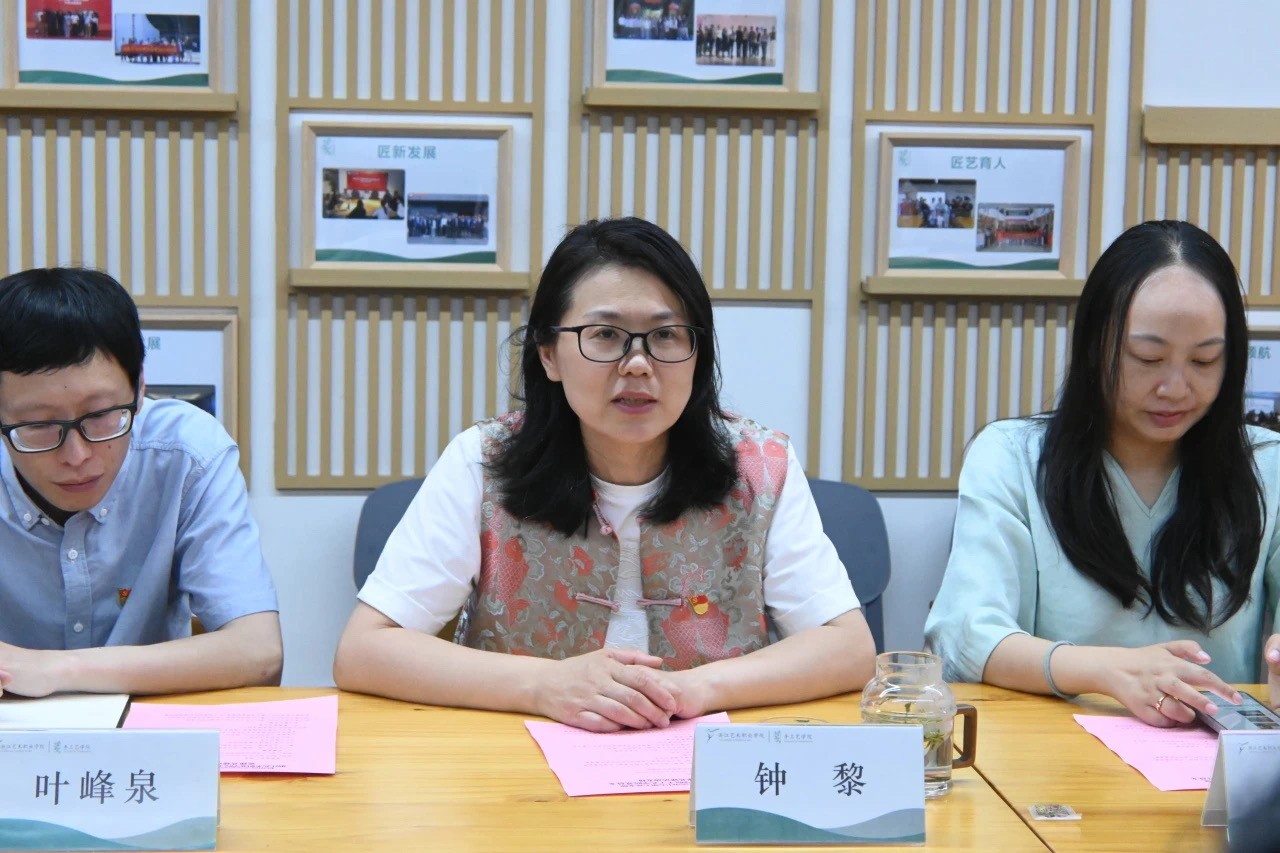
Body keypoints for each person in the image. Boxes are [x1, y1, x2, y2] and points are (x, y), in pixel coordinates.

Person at [335, 217, 875, 732]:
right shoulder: (482, 461)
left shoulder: (761, 466)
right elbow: (365, 650)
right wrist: (544, 685)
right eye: (606, 334)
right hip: (518, 768)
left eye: (666, 336)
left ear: (697, 354)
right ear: (549, 354)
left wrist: (692, 690)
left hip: (702, 765)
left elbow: (848, 647)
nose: (637, 363)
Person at [925, 220, 1280, 726]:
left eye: (1204, 361)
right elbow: (965, 636)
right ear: (1095, 346)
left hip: (1210, 763)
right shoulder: (1012, 457)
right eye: (1147, 358)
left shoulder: (1267, 466)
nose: (1175, 388)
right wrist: (1107, 671)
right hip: (1050, 756)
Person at [0, 268, 281, 697]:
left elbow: (257, 651)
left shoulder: (187, 454)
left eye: (101, 415)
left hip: (150, 726)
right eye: (38, 424)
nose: (76, 455)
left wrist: (57, 670)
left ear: (140, 386)